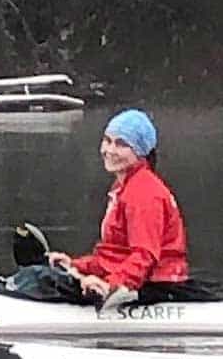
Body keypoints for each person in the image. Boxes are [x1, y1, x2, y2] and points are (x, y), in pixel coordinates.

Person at [47, 108, 190, 306]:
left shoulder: (144, 193)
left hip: (157, 285)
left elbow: (145, 256)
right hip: (135, 278)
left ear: (140, 152)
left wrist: (109, 286)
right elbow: (112, 255)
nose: (110, 151)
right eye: (107, 141)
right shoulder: (124, 187)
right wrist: (75, 265)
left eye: (121, 144)